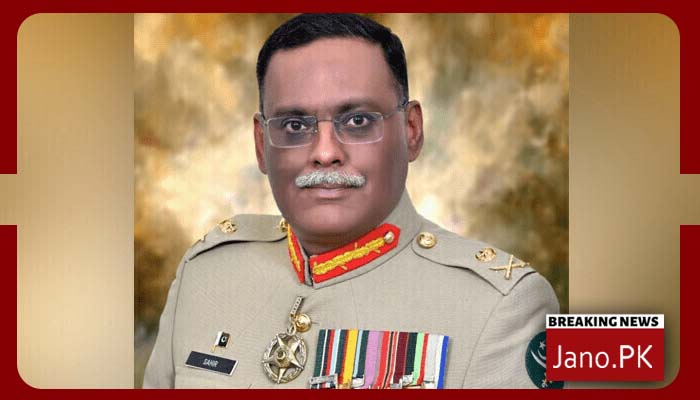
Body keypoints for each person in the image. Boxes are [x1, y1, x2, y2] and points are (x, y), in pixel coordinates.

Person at [143, 13, 561, 389]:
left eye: (358, 121)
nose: (325, 152)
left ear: (411, 131)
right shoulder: (206, 274)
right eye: (294, 125)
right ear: (260, 144)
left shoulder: (502, 308)